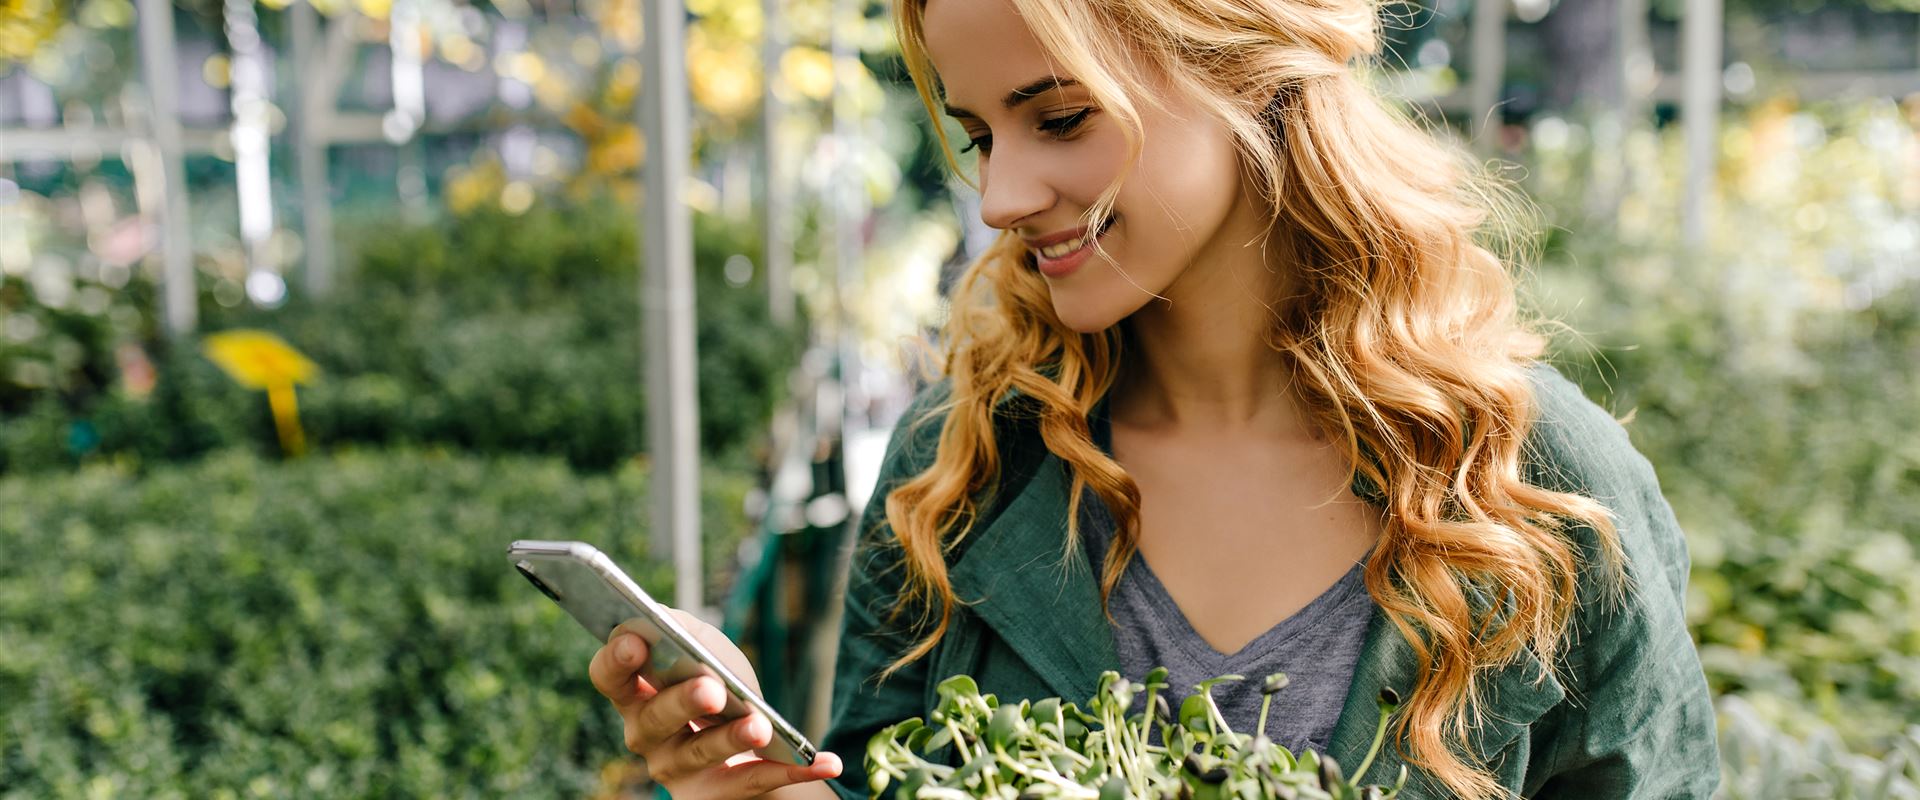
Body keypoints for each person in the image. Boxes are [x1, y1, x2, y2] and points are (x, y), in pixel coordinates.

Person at [588, 0, 1723, 796]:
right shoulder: (964, 459)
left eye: (1060, 117)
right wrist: (748, 779)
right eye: (982, 134)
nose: (1000, 194)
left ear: (1243, 60)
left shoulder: (1540, 486)